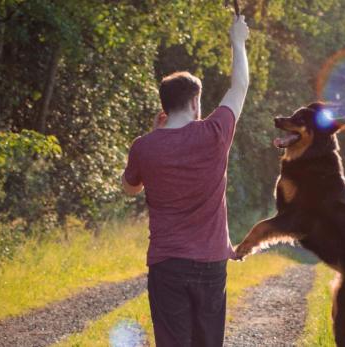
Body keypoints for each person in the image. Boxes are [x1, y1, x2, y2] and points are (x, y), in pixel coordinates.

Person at [121, 14, 249, 347]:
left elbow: (130, 188)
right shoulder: (215, 133)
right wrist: (238, 40)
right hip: (210, 263)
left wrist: (154, 136)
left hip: (167, 263)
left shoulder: (144, 146)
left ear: (164, 105)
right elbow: (240, 86)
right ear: (195, 102)